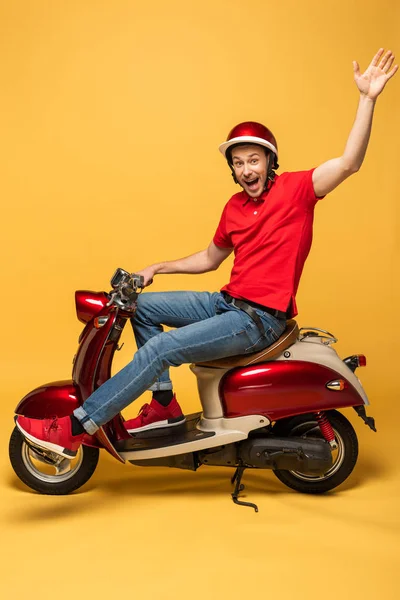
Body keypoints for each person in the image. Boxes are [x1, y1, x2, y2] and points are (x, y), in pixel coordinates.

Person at [16, 48, 397, 459]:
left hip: (259, 319)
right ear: (232, 169)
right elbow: (210, 259)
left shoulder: (298, 190)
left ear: (270, 161)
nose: (247, 169)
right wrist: (156, 268)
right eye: (238, 163)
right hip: (225, 304)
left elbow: (349, 163)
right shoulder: (234, 208)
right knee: (139, 309)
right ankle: (164, 404)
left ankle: (77, 426)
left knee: (161, 349)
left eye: (254, 159)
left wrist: (367, 99)